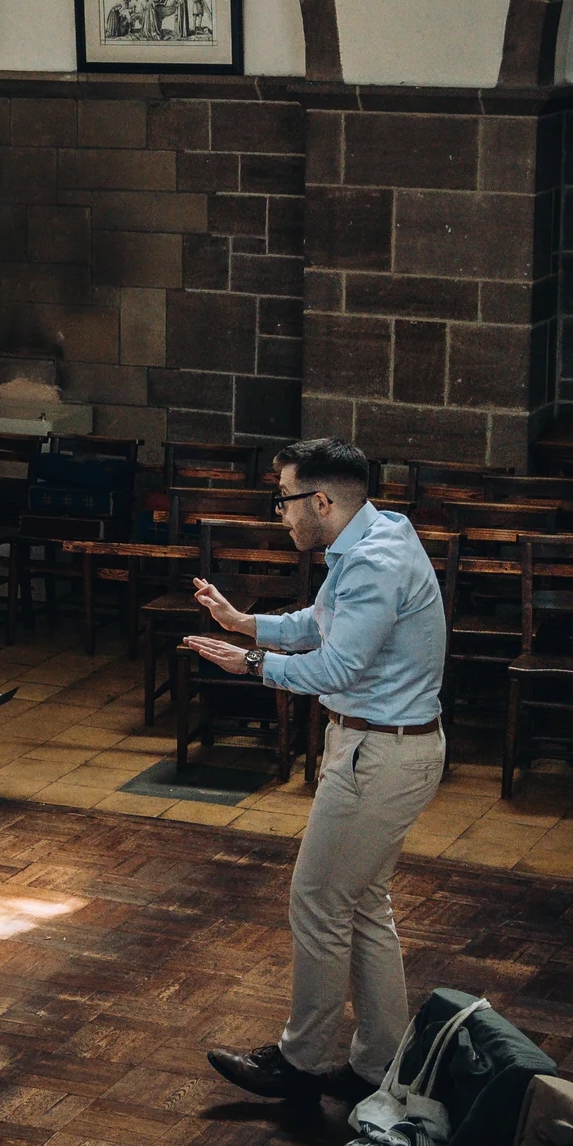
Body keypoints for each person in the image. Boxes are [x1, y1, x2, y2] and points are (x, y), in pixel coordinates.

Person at [187, 437, 450, 1110]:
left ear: (323, 501)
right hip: (381, 747)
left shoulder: (374, 561)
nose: (280, 513)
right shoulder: (374, 536)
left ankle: (300, 1065)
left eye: (284, 498)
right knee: (361, 904)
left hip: (380, 754)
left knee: (319, 901)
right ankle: (379, 1063)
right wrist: (248, 624)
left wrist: (246, 663)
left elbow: (337, 669)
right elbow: (324, 623)